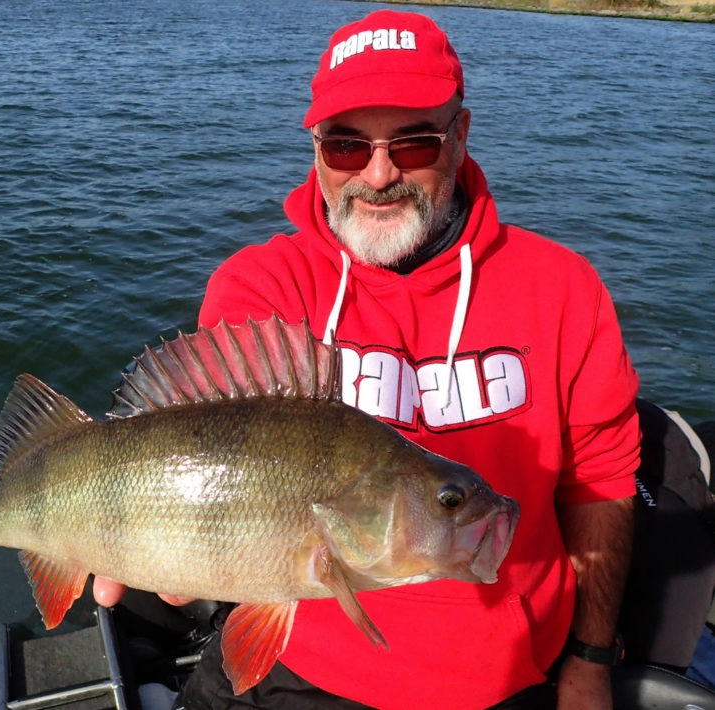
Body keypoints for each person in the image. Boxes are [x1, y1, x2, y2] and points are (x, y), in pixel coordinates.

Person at [95, 9, 641, 709]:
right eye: (347, 146)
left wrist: (592, 661)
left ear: (461, 136)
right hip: (297, 663)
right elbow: (204, 459)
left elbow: (601, 481)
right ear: (316, 150)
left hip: (503, 681)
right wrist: (135, 537)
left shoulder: (563, 289)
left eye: (413, 143)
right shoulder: (260, 287)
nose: (379, 174)